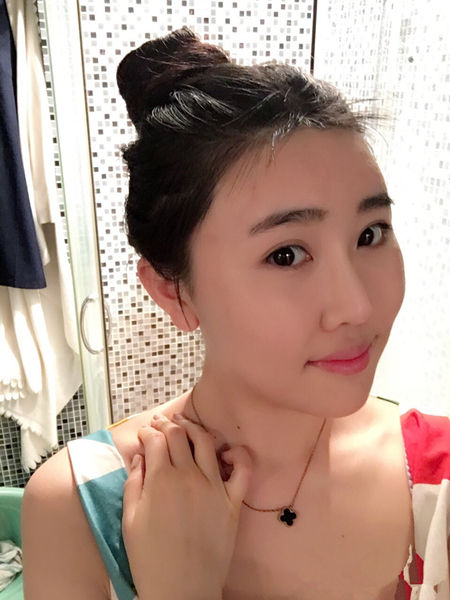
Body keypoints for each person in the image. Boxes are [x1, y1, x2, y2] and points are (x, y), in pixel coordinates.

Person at [21, 25, 450, 600]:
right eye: (286, 254)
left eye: (370, 234)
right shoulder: (80, 506)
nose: (358, 306)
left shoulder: (436, 478)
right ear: (173, 291)